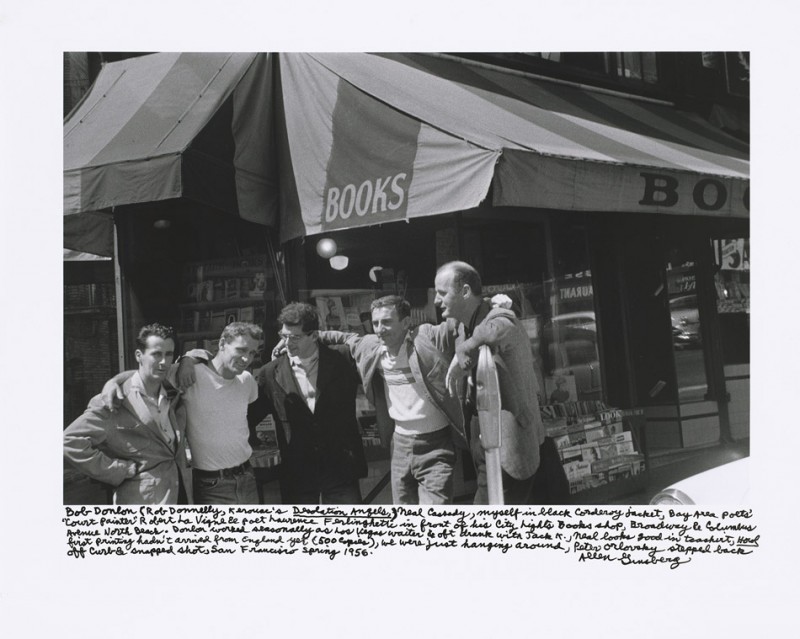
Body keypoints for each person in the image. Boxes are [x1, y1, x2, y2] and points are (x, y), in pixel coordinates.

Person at [313, 295, 467, 505]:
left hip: (436, 445)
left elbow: (459, 324)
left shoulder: (427, 336)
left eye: (386, 322)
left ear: (406, 323)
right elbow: (343, 338)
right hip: (399, 445)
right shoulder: (371, 346)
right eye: (375, 323)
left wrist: (494, 307)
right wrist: (301, 339)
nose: (379, 329)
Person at [102, 322, 263, 505]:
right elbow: (145, 374)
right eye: (241, 350)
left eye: (252, 353)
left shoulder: (247, 381)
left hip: (247, 477)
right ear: (222, 344)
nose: (247, 359)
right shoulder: (190, 375)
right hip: (212, 485)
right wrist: (113, 382)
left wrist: (190, 356)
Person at [434, 261, 545, 505]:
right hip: (482, 444)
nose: (436, 300)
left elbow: (498, 327)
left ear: (464, 291)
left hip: (509, 446)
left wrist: (465, 349)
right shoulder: (461, 325)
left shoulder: (500, 315)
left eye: (442, 293)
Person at [248, 302, 367, 504]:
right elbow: (251, 418)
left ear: (314, 335)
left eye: (295, 337)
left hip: (341, 468)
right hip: (297, 472)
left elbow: (368, 342)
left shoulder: (343, 358)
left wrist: (326, 336)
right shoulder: (270, 373)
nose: (287, 343)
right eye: (284, 336)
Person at [64, 323, 192, 505]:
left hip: (180, 495)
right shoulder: (115, 399)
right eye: (156, 354)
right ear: (139, 356)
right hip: (141, 501)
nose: (164, 362)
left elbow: (201, 357)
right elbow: (69, 442)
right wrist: (119, 470)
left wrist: (187, 359)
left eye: (169, 354)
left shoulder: (172, 392)